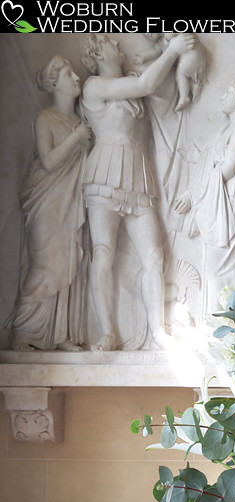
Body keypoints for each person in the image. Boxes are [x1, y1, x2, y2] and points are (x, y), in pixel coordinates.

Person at [79, 34, 195, 351]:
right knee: (103, 251)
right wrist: (172, 50)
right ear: (96, 54)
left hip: (137, 175)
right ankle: (107, 332)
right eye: (108, 44)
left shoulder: (131, 82)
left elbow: (156, 88)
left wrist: (167, 51)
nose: (117, 46)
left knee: (155, 256)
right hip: (105, 170)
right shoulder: (94, 86)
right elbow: (146, 84)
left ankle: (158, 329)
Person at [7, 55, 92, 351]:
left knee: (70, 262)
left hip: (70, 200)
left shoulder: (80, 120)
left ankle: (58, 334)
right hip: (45, 199)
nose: (76, 78)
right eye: (70, 74)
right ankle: (22, 330)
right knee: (44, 264)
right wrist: (77, 138)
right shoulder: (45, 118)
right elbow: (49, 160)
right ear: (55, 83)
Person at [174, 79, 235, 315]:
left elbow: (228, 168)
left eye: (227, 91)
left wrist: (193, 194)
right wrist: (196, 157)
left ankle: (229, 328)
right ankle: (221, 327)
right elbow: (215, 160)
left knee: (222, 265)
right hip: (224, 197)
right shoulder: (230, 130)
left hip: (233, 197)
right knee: (217, 265)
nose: (222, 96)